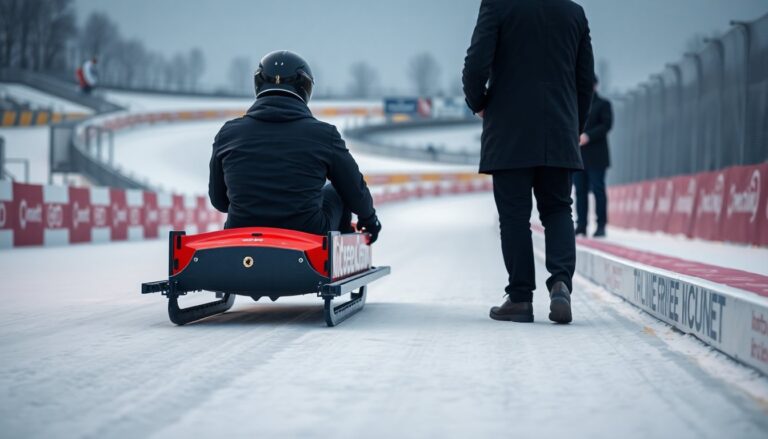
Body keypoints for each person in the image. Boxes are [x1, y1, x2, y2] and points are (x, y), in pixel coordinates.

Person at [462, 0, 594, 323]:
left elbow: (476, 64)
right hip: (558, 130)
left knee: (514, 217)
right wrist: (572, 127)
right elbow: (585, 80)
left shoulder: (498, 5)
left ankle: (520, 298)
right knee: (559, 208)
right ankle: (561, 283)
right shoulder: (573, 12)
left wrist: (478, 103)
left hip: (510, 131)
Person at [208, 50, 381, 243]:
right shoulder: (324, 135)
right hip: (308, 237)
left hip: (241, 234)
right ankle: (337, 257)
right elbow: (354, 190)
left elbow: (219, 201)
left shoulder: (228, 133)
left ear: (258, 84)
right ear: (304, 88)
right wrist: (369, 220)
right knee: (337, 189)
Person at [574, 76, 613, 238]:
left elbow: (606, 125)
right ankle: (581, 225)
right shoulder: (574, 104)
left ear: (595, 86)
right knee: (579, 191)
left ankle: (601, 225)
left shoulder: (603, 104)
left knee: (598, 189)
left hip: (597, 156)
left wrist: (588, 136)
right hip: (578, 156)